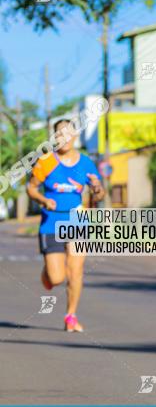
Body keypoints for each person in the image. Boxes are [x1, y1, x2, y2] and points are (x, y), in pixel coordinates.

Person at [26, 119, 105, 333]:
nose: (65, 138)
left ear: (76, 136)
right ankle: (48, 274)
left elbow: (100, 192)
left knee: (76, 271)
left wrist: (97, 187)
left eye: (69, 133)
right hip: (51, 222)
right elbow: (31, 189)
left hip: (77, 219)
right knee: (56, 277)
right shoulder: (46, 161)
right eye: (59, 134)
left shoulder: (86, 163)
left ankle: (71, 315)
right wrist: (43, 201)